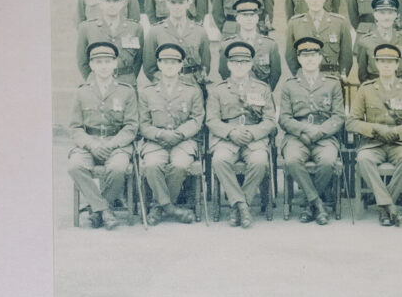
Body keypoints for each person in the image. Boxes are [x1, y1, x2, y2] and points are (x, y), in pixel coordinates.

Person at [347, 43, 402, 227]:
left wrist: (397, 132)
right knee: (363, 159)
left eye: (390, 62)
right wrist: (376, 129)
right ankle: (390, 206)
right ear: (376, 64)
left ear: (397, 65)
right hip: (373, 143)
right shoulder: (366, 89)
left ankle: (383, 205)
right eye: (382, 61)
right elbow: (351, 121)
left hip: (399, 144)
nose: (386, 65)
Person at [68, 41, 138, 231]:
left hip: (117, 143)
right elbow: (75, 127)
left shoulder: (126, 91)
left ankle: (96, 211)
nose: (103, 66)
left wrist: (113, 144)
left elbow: (131, 126)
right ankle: (104, 211)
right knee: (74, 166)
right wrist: (91, 144)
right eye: (98, 62)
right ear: (91, 65)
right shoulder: (82, 92)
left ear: (115, 63)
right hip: (89, 142)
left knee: (118, 168)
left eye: (108, 61)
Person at [206, 40, 277, 228]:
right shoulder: (218, 90)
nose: (239, 66)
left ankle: (238, 206)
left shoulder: (262, 88)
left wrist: (253, 133)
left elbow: (270, 120)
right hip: (227, 138)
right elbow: (211, 120)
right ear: (228, 64)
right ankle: (242, 206)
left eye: (244, 63)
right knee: (220, 160)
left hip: (253, 137)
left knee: (260, 161)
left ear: (250, 64)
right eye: (235, 63)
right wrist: (231, 132)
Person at [276, 36, 345, 225]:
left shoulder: (332, 83)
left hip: (324, 136)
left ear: (320, 57)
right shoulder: (290, 85)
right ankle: (318, 204)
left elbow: (338, 116)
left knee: (328, 161)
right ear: (298, 59)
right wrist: (305, 129)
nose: (309, 59)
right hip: (297, 136)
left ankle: (309, 205)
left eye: (313, 55)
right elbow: (284, 118)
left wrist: (320, 132)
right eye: (305, 56)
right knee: (291, 160)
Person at [137, 42, 204, 224]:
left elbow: (197, 119)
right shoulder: (146, 92)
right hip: (155, 141)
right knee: (152, 165)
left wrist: (179, 134)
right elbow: (143, 124)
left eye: (174, 62)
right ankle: (170, 208)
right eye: (165, 62)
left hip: (183, 141)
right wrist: (160, 135)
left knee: (180, 165)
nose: (169, 66)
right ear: (158, 64)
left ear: (181, 65)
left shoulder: (192, 91)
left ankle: (158, 207)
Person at [141, 0, 211, 87]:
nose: (177, 7)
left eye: (181, 2)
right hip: (165, 86)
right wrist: (167, 82)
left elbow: (205, 65)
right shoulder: (155, 32)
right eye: (173, 3)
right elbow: (149, 68)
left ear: (189, 3)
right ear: (166, 3)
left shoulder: (200, 31)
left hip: (193, 86)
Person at [285, 0, 353, 80]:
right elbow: (290, 56)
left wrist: (342, 75)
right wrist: (299, 76)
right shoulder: (295, 23)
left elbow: (346, 55)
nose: (315, 0)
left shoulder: (339, 23)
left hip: (332, 78)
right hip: (305, 78)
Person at [75, 0, 144, 86]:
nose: (112, 5)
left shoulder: (135, 28)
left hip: (126, 83)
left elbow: (138, 60)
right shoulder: (87, 28)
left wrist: (128, 78)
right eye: (107, 0)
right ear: (100, 3)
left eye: (116, 1)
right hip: (97, 84)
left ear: (122, 3)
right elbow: (82, 62)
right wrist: (94, 80)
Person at [219, 0, 282, 91]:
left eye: (252, 15)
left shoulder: (270, 45)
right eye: (244, 15)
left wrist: (265, 92)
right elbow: (224, 71)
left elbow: (276, 73)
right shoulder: (227, 45)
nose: (249, 19)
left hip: (261, 96)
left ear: (257, 18)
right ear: (237, 18)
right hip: (236, 94)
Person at [355, 0, 402, 82]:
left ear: (396, 15)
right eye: (382, 13)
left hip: (399, 91)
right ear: (375, 15)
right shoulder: (365, 41)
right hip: (375, 91)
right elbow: (363, 75)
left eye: (390, 13)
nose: (386, 17)